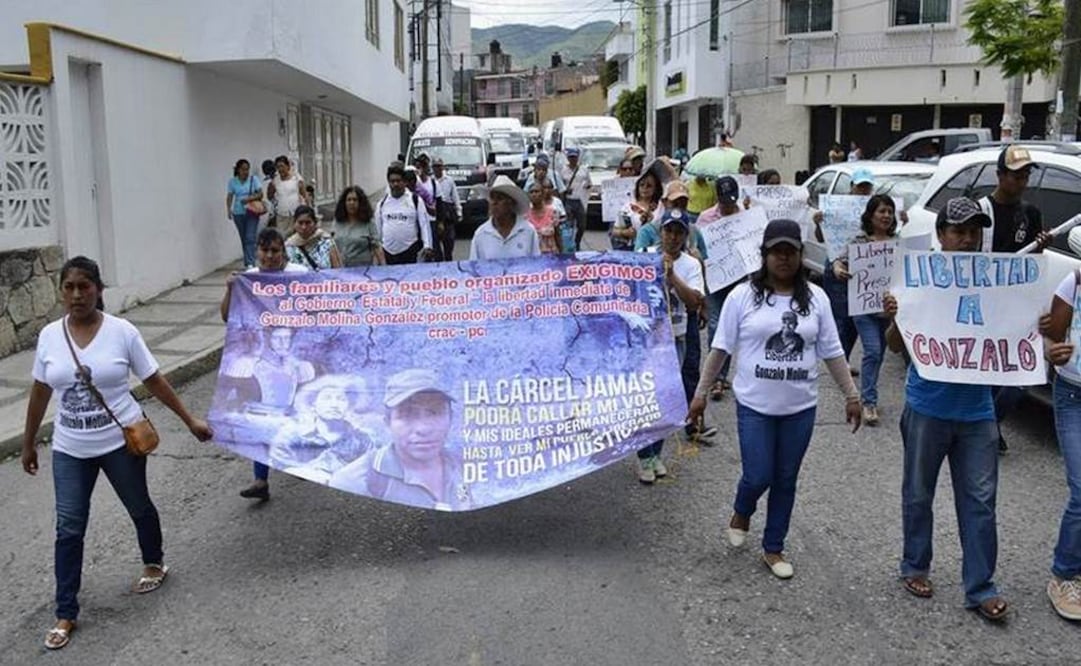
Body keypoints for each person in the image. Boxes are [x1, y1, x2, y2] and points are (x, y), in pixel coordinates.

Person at [21, 256, 213, 650]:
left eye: (84, 286)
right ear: (61, 292)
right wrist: (28, 442)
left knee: (138, 506)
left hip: (120, 442)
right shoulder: (50, 336)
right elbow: (40, 390)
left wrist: (189, 420)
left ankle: (154, 561)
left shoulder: (122, 332)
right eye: (69, 287)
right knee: (68, 528)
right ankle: (65, 612)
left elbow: (153, 380)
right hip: (70, 447)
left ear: (99, 289)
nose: (77, 294)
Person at [688, 218, 861, 579]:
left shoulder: (817, 299)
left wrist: (852, 395)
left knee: (785, 478)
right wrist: (700, 394)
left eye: (790, 251)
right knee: (758, 475)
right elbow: (720, 349)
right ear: (764, 255)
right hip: (755, 407)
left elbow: (832, 351)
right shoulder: (742, 296)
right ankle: (742, 509)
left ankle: (773, 546)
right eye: (776, 251)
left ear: (800, 254)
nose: (783, 258)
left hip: (800, 408)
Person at [884, 197, 1010, 622]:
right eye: (959, 231)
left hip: (978, 412)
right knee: (919, 493)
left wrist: (1039, 323)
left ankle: (981, 587)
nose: (968, 239)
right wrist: (895, 318)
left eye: (974, 231)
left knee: (981, 502)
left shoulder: (995, 281)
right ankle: (915, 565)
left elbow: (1016, 331)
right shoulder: (918, 279)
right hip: (927, 406)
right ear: (941, 236)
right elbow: (895, 345)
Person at [220, 227, 311, 500]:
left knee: (295, 409)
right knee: (263, 411)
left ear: (283, 252)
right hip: (265, 360)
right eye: (264, 250)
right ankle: (261, 479)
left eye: (275, 250)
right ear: (257, 251)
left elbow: (317, 307)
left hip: (295, 354)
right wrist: (230, 289)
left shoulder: (299, 275)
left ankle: (299, 458)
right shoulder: (248, 279)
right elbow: (227, 316)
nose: (269, 256)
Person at [979, 145, 1053, 453]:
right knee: (985, 371)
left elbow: (1032, 265)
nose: (1021, 181)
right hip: (984, 305)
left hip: (1016, 307)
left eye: (1025, 175)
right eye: (1015, 175)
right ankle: (985, 430)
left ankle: (990, 422)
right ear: (1000, 175)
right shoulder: (981, 210)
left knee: (1018, 377)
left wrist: (1040, 246)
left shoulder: (1030, 214)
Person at [329, 369, 471, 510]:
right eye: (408, 414)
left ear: (451, 418)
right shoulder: (355, 481)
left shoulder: (464, 467)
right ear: (387, 422)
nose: (423, 428)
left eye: (434, 413)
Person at [637, 209, 705, 483]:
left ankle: (656, 454)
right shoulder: (643, 255)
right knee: (647, 399)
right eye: (669, 231)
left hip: (676, 338)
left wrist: (672, 276)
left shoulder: (691, 265)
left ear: (685, 236)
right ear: (660, 232)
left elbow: (694, 302)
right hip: (648, 339)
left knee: (666, 399)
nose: (673, 237)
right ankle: (644, 456)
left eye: (679, 232)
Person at [1040, 225, 1081, 621]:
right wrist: (1054, 351)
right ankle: (1064, 575)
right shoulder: (1074, 283)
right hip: (1074, 396)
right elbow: (1050, 337)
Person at [828, 194, 898, 426]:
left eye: (890, 211)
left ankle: (869, 392)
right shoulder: (859, 243)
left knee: (878, 356)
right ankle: (869, 402)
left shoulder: (898, 243)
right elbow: (839, 261)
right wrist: (839, 269)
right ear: (871, 215)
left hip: (888, 311)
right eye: (882, 211)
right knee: (873, 352)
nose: (886, 216)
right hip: (864, 309)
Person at [812, 168, 875, 372]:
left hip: (864, 268)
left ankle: (843, 358)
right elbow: (821, 238)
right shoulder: (836, 207)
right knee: (840, 317)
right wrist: (819, 223)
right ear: (851, 187)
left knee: (856, 319)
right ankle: (840, 362)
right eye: (860, 186)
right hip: (837, 264)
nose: (863, 190)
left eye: (867, 187)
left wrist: (901, 220)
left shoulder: (875, 210)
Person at [694, 176, 746, 400]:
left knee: (735, 326)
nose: (728, 206)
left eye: (732, 201)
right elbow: (698, 246)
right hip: (714, 279)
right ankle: (716, 378)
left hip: (738, 279)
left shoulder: (745, 215)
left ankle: (725, 376)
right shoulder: (705, 218)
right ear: (717, 198)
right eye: (724, 201)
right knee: (716, 325)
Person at [269, 374, 375, 483]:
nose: (334, 405)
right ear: (313, 403)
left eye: (341, 399)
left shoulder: (362, 440)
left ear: (349, 405)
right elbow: (279, 468)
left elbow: (368, 475)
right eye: (327, 398)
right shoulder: (292, 436)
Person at [469, 175, 540, 261]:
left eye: (499, 198)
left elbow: (536, 264)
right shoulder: (481, 234)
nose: (494, 202)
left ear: (511, 203)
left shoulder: (528, 231)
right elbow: (474, 266)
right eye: (492, 198)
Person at [376, 163, 434, 265]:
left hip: (410, 252)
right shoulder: (382, 204)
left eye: (398, 181)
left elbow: (424, 225)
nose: (395, 184)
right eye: (392, 181)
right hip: (388, 254)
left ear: (404, 182)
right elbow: (378, 230)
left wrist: (427, 246)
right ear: (389, 182)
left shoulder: (416, 200)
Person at [333, 185, 385, 267]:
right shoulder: (337, 222)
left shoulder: (369, 223)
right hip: (341, 270)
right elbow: (332, 247)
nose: (352, 203)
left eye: (355, 200)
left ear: (360, 203)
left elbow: (377, 247)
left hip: (363, 270)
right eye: (349, 200)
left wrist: (384, 268)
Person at [225, 159, 264, 268]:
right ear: (238, 170)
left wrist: (249, 199)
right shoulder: (232, 182)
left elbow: (261, 194)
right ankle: (247, 262)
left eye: (247, 169)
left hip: (252, 211)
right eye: (243, 169)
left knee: (250, 237)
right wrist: (228, 209)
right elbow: (229, 196)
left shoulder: (253, 179)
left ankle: (251, 263)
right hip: (238, 213)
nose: (245, 172)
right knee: (244, 238)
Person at [612, 169, 661, 251]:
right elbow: (614, 231)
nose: (645, 188)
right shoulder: (628, 207)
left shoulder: (661, 206)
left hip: (656, 250)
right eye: (642, 185)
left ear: (655, 188)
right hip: (634, 250)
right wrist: (625, 232)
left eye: (649, 186)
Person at [286, 205, 342, 270]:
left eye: (308, 223)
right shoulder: (289, 246)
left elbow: (337, 270)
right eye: (300, 223)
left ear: (315, 223)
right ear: (294, 224)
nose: (304, 227)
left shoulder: (327, 243)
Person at [267, 155, 307, 238]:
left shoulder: (296, 179)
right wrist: (270, 186)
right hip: (282, 215)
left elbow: (304, 195)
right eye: (278, 167)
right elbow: (270, 197)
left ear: (288, 166)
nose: (280, 169)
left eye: (282, 166)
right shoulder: (275, 181)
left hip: (296, 215)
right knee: (282, 238)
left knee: (297, 239)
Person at [560, 147, 592, 248]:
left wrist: (586, 187)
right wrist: (565, 189)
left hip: (580, 200)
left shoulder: (584, 170)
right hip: (568, 201)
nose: (573, 159)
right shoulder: (563, 170)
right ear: (568, 158)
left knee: (582, 225)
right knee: (569, 225)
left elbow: (589, 183)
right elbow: (560, 185)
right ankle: (569, 244)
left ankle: (577, 242)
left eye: (574, 157)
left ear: (577, 158)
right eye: (571, 157)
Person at [431, 157, 462, 261]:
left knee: (449, 241)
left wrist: (459, 211)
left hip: (447, 212)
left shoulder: (449, 180)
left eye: (439, 166)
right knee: (435, 243)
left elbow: (455, 197)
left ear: (443, 167)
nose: (437, 168)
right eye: (435, 166)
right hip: (435, 212)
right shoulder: (430, 181)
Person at [525, 179, 562, 255]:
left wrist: (561, 254)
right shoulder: (525, 216)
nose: (534, 194)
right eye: (531, 192)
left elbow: (557, 235)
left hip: (551, 255)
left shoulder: (553, 212)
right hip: (532, 256)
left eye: (536, 191)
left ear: (542, 194)